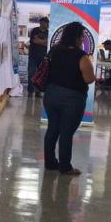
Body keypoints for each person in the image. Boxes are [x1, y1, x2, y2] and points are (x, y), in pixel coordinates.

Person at [43, 21, 95, 175]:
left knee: (53, 129)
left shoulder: (54, 51)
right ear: (78, 37)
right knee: (66, 133)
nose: (83, 39)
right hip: (72, 99)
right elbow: (89, 79)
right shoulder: (81, 56)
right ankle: (65, 167)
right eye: (82, 36)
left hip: (51, 94)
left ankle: (50, 162)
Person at [27, 17, 50, 97]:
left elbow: (48, 44)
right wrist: (44, 42)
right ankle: (30, 91)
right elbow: (34, 41)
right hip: (33, 56)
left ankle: (38, 92)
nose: (45, 24)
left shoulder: (48, 32)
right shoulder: (35, 30)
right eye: (43, 23)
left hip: (43, 57)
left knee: (41, 75)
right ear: (40, 23)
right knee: (31, 73)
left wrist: (39, 41)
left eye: (46, 23)